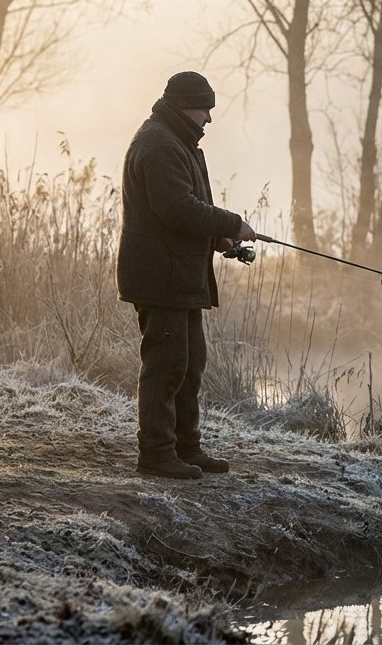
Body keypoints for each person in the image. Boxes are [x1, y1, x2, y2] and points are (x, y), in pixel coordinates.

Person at [117, 71, 255, 479]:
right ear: (184, 105)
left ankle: (185, 448)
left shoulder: (181, 142)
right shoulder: (159, 143)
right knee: (166, 365)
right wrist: (232, 223)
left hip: (180, 274)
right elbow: (176, 208)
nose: (209, 118)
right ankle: (157, 455)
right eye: (205, 108)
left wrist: (219, 239)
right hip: (159, 276)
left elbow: (187, 210)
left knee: (191, 363)